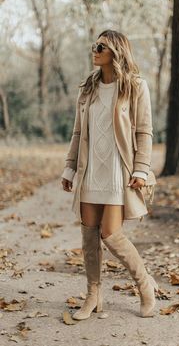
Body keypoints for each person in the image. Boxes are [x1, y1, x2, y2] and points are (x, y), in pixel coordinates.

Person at [61, 29, 158, 320]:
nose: (95, 49)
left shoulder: (135, 86)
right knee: (89, 235)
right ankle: (94, 295)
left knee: (111, 234)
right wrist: (70, 166)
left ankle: (144, 285)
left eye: (101, 46)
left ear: (116, 50)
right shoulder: (87, 89)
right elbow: (78, 132)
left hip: (118, 171)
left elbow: (144, 132)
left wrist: (141, 168)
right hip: (91, 170)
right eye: (94, 45)